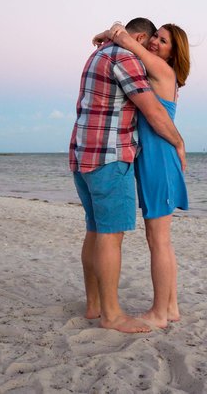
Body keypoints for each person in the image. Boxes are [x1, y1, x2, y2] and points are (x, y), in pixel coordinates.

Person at [69, 17, 187, 334]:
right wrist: (111, 33)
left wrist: (179, 143)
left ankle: (162, 310)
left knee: (158, 240)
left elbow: (154, 112)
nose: (153, 44)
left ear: (174, 53)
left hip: (157, 159)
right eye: (154, 38)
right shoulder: (127, 58)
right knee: (148, 238)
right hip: (127, 157)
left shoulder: (159, 70)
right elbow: (127, 39)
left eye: (162, 41)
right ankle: (169, 307)